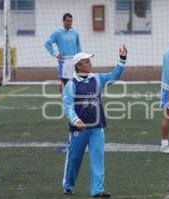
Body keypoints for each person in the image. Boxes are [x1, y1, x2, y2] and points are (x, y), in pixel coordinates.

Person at [62, 45, 127, 198]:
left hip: (97, 127)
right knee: (74, 159)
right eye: (87, 62)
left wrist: (122, 59)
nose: (90, 63)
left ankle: (97, 190)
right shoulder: (71, 84)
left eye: (90, 61)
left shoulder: (97, 78)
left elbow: (114, 75)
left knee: (98, 159)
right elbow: (67, 106)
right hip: (79, 129)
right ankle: (68, 185)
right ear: (78, 66)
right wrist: (75, 120)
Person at [44, 13, 82, 92]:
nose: (69, 23)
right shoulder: (58, 33)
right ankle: (63, 101)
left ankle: (73, 100)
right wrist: (55, 54)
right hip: (64, 62)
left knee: (75, 82)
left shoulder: (75, 33)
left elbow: (79, 47)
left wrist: (80, 58)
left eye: (71, 21)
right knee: (64, 82)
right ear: (63, 21)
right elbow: (47, 43)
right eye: (68, 21)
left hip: (74, 61)